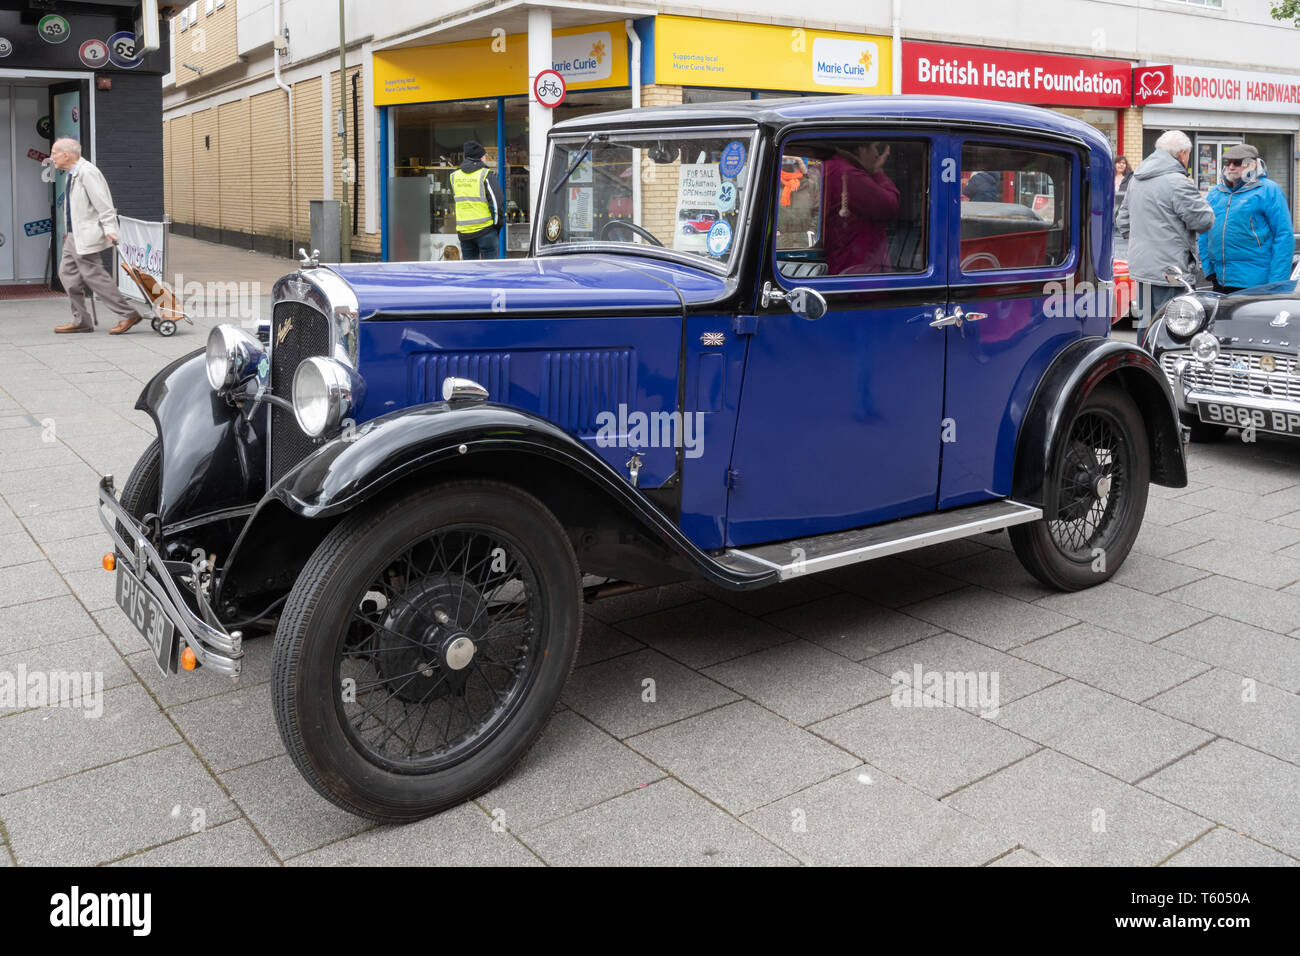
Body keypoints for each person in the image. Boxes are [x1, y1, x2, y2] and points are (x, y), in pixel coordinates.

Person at [1115, 130, 1214, 339]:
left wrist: (1145, 239)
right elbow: (1204, 221)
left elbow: (1122, 220)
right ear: (1182, 154)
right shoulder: (1178, 182)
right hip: (1172, 272)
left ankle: (1144, 360)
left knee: (1146, 329)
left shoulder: (1136, 179)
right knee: (1174, 330)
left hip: (1142, 268)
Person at [50, 137, 142, 334]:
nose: (52, 157)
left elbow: (104, 204)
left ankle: (127, 314)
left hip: (86, 235)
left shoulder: (88, 172)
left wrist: (110, 228)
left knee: (95, 276)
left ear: (66, 155)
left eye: (54, 153)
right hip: (74, 236)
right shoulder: (72, 174)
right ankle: (82, 320)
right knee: (67, 275)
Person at [1199, 144, 1294, 293]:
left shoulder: (1269, 190)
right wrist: (1208, 268)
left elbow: (1284, 236)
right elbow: (1204, 231)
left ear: (1252, 164)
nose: (1231, 167)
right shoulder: (1216, 193)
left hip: (1255, 282)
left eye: (1237, 163)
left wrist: (1277, 284)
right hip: (1220, 279)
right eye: (1228, 163)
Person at [823, 142, 899, 275]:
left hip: (845, 265)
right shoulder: (849, 175)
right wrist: (878, 172)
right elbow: (889, 206)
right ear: (861, 149)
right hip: (858, 270)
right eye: (875, 147)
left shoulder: (832, 167)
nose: (877, 154)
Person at [451, 140, 504, 260]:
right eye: (485, 156)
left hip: (464, 233)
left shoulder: (454, 176)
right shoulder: (485, 174)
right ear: (480, 157)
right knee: (490, 268)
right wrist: (497, 226)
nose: (485, 158)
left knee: (470, 269)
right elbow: (497, 203)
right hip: (486, 231)